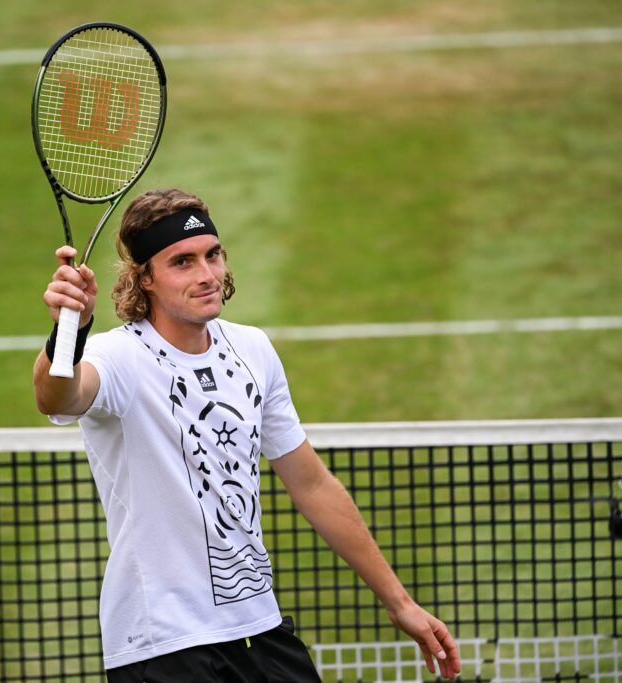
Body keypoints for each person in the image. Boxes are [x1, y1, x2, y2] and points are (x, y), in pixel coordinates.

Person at [33, 188, 461, 682]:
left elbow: (312, 484)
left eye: (213, 255)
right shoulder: (119, 357)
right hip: (165, 644)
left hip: (258, 627)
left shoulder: (253, 349)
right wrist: (70, 331)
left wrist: (399, 602)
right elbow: (57, 397)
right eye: (183, 262)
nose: (207, 275)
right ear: (144, 278)